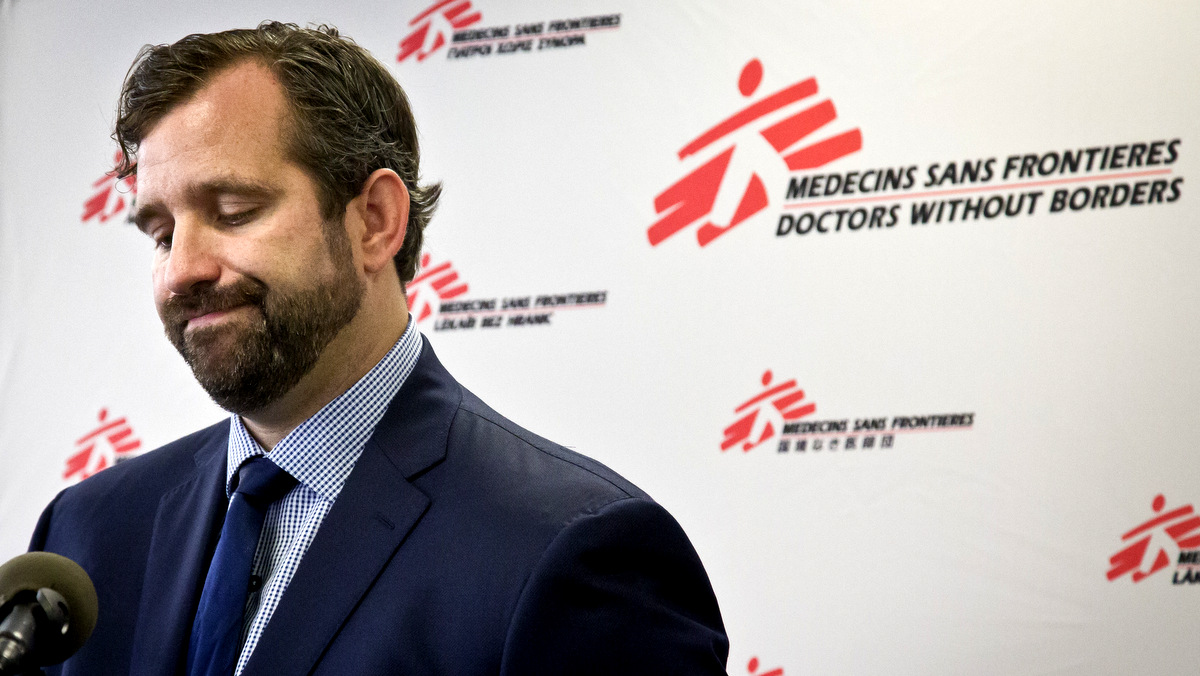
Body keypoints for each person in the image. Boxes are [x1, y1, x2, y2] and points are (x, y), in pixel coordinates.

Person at [29, 22, 729, 676]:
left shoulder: (573, 553)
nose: (182, 269)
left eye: (234, 212)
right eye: (159, 232)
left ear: (375, 221)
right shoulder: (86, 532)